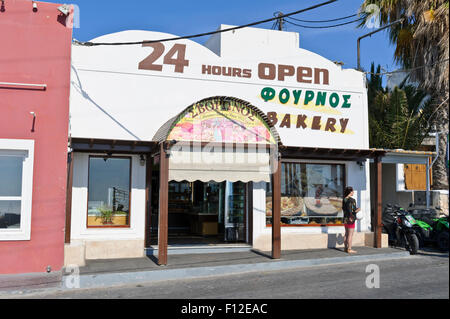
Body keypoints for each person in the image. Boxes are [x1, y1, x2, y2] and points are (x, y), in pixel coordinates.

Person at [342, 186, 360, 254]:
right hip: (351, 219)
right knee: (350, 235)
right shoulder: (352, 200)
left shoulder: (344, 199)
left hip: (345, 218)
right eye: (352, 191)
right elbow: (352, 210)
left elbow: (344, 209)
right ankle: (349, 249)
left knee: (346, 234)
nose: (353, 192)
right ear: (350, 192)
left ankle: (345, 248)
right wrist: (357, 210)